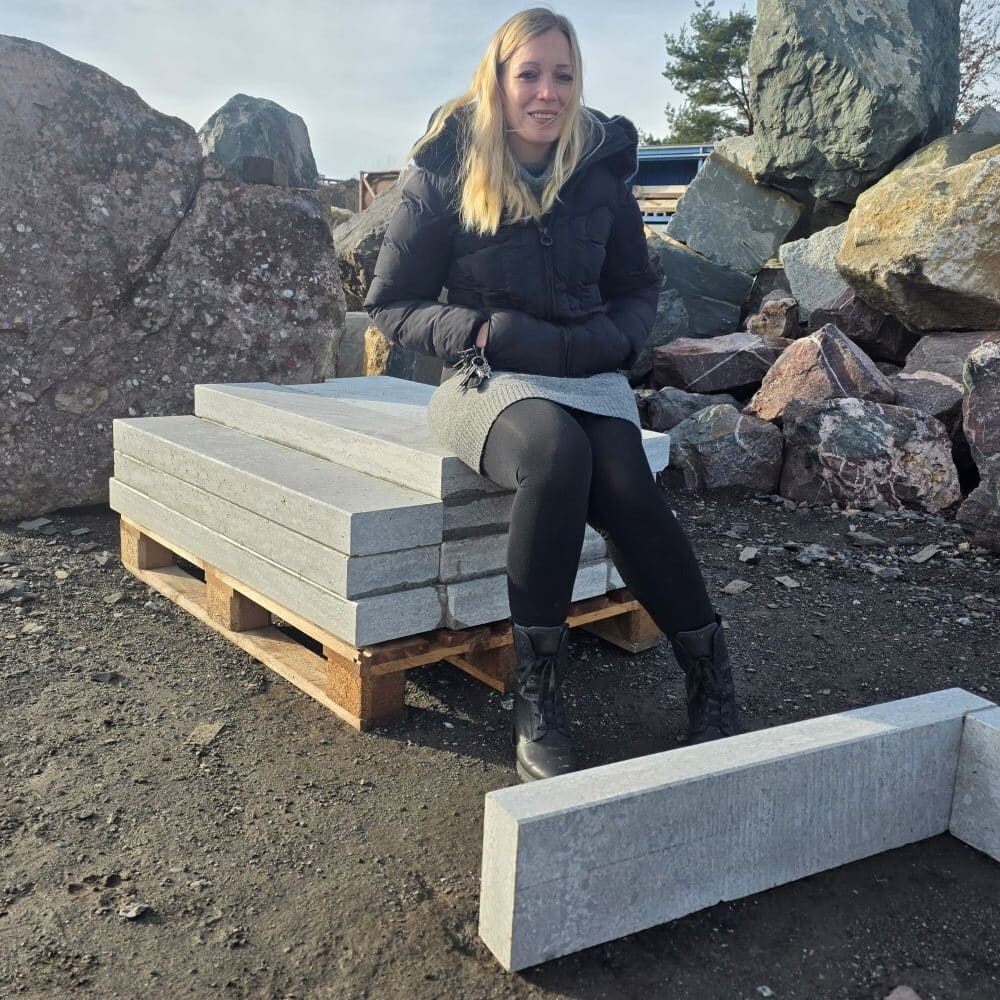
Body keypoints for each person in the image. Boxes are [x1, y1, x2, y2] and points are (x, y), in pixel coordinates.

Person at [365, 8, 740, 782]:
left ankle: (711, 678)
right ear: (498, 81)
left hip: (589, 370)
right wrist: (477, 330)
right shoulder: (444, 167)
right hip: (487, 374)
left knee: (626, 480)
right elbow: (391, 303)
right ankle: (538, 697)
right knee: (557, 454)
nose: (547, 92)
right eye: (529, 74)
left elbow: (636, 286)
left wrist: (618, 342)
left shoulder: (599, 168)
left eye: (562, 76)